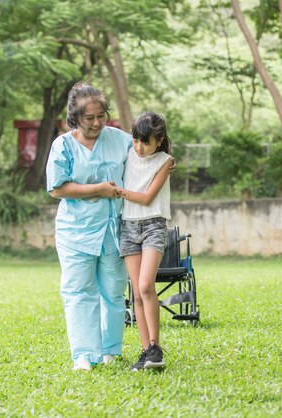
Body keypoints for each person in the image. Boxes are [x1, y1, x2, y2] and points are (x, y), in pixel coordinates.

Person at [46, 83, 131, 371]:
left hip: (114, 230)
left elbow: (147, 153)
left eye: (101, 116)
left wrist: (166, 160)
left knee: (114, 289)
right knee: (79, 290)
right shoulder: (63, 145)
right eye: (89, 118)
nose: (97, 123)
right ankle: (84, 355)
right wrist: (98, 189)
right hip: (76, 231)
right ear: (75, 118)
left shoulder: (121, 140)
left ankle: (110, 349)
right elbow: (56, 189)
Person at [117, 112, 174, 371]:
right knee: (136, 292)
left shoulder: (165, 161)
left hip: (153, 225)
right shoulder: (128, 153)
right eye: (136, 141)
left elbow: (147, 197)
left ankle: (155, 346)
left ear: (159, 141)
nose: (139, 147)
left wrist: (117, 191)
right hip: (127, 226)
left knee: (146, 285)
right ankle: (145, 351)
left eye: (146, 142)